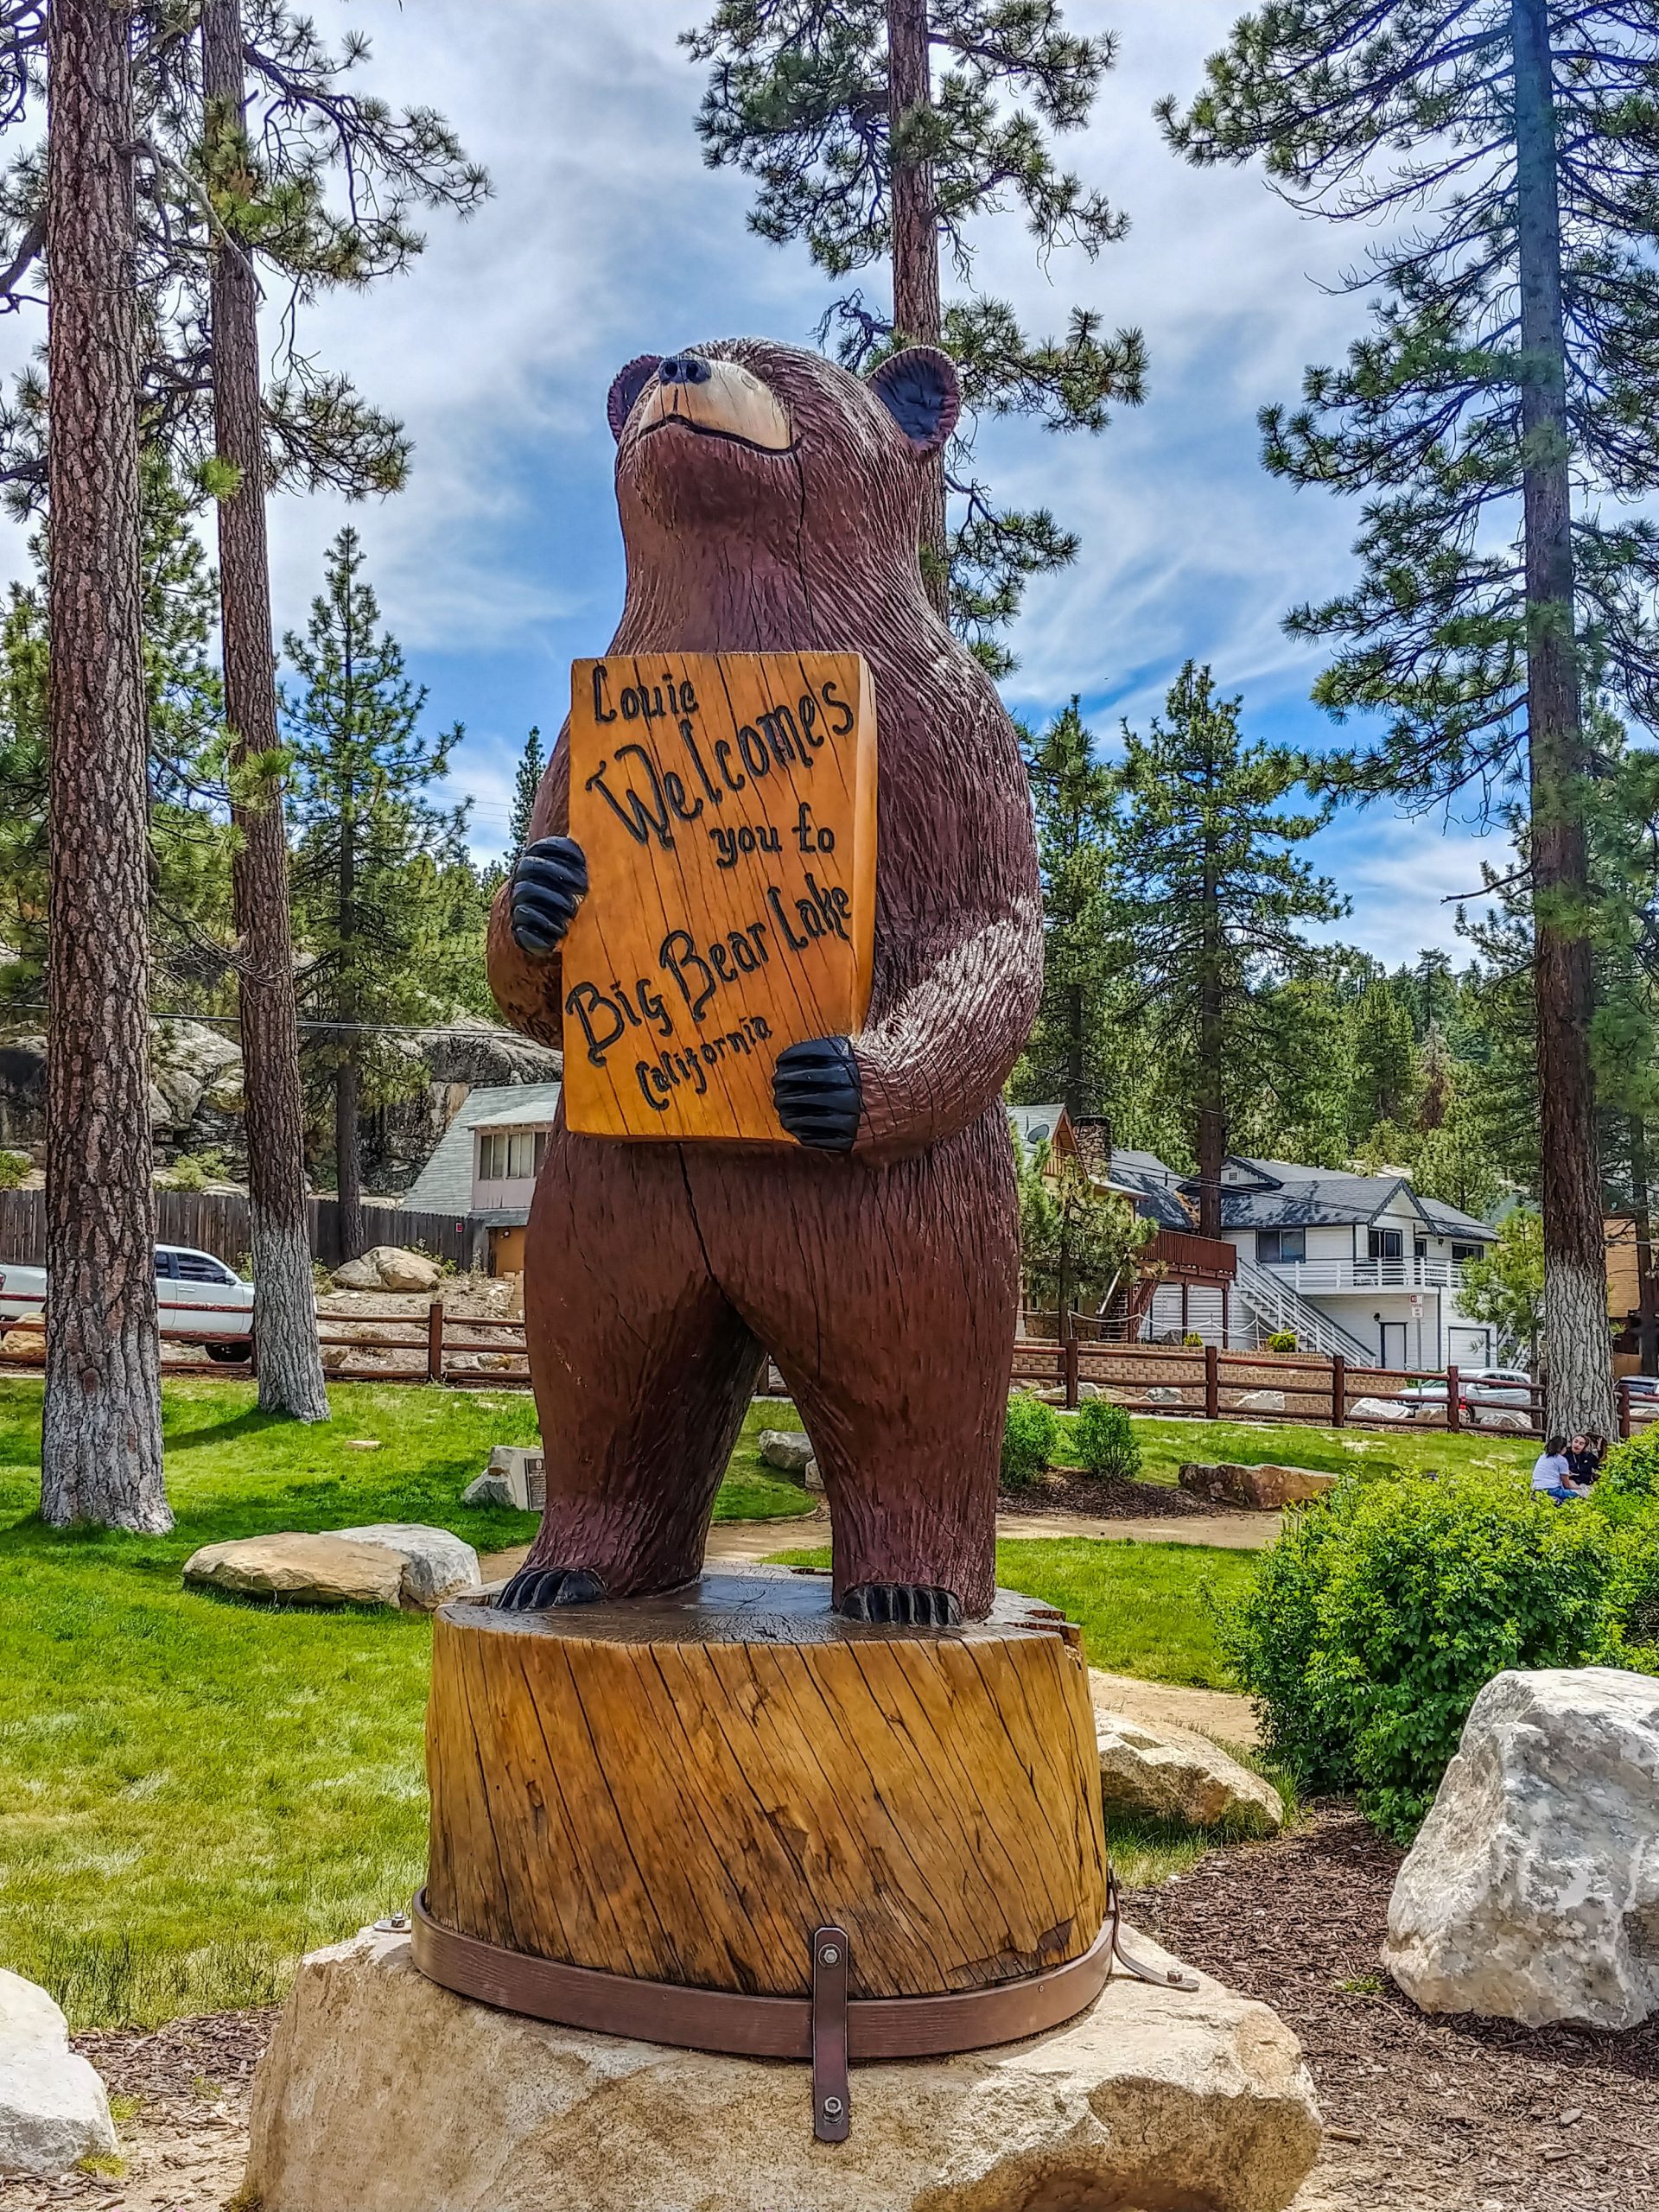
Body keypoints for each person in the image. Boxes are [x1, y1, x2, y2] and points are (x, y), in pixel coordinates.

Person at [1532, 1437, 1586, 1504]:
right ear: (1563, 1449)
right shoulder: (1561, 1460)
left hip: (1536, 1488)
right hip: (1552, 1489)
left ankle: (1549, 1499)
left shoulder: (1543, 1456)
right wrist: (1580, 1488)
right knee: (1579, 1495)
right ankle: (1555, 1500)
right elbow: (1567, 1485)